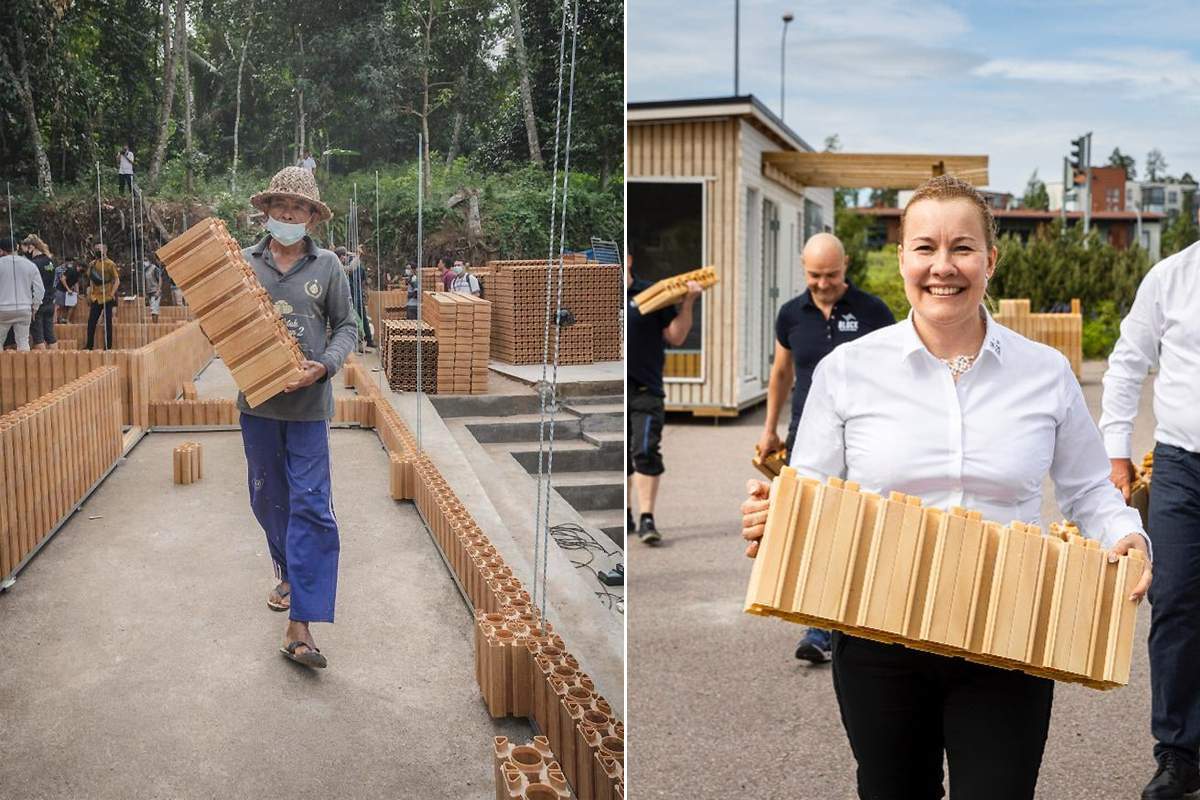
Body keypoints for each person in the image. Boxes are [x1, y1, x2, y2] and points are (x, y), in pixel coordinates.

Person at [739, 175, 1151, 800]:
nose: (943, 266)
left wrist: (1128, 535)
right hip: (875, 629)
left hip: (1010, 630)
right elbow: (812, 488)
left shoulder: (1045, 373)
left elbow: (1090, 490)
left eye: (962, 247)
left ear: (991, 259)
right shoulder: (849, 371)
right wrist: (776, 517)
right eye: (925, 247)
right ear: (902, 257)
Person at [757, 232, 896, 664]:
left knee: (861, 526)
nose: (822, 283)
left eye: (831, 275)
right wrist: (770, 429)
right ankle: (819, 629)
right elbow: (781, 374)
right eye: (815, 275)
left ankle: (863, 619)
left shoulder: (874, 312)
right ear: (803, 268)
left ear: (846, 266)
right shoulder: (790, 315)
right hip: (807, 434)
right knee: (813, 529)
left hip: (866, 437)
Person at [1099, 218, 1200, 800]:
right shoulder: (1171, 277)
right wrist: (1116, 449)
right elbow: (1128, 360)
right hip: (1183, 464)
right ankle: (1178, 753)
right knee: (1177, 600)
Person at [243, 166, 357, 669]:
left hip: (309, 409)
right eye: (281, 206)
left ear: (312, 216)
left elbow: (347, 325)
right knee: (268, 500)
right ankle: (287, 569)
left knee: (312, 507)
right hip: (259, 406)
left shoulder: (328, 265)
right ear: (267, 210)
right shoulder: (244, 265)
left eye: (300, 208)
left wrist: (324, 367)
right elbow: (220, 323)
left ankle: (302, 626)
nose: (289, 214)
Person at [626, 254, 701, 545]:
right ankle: (627, 513)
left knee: (644, 450)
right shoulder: (605, 293)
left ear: (630, 259)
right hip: (620, 391)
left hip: (646, 390)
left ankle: (647, 518)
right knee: (622, 457)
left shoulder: (652, 294)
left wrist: (688, 303)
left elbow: (676, 336)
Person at [0, 237, 44, 351]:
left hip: (3, 309)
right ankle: (25, 367)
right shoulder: (30, 264)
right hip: (24, 308)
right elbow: (40, 289)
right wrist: (35, 307)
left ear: (1, 250)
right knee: (23, 342)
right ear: (17, 247)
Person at [22, 235, 58, 350]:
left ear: (31, 247)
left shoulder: (34, 264)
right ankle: (56, 363)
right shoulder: (50, 261)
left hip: (38, 304)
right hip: (50, 302)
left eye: (25, 248)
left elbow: (32, 285)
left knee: (38, 338)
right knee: (50, 336)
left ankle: (43, 366)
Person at [85, 244, 120, 350]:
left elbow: (117, 280)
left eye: (100, 249)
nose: (97, 251)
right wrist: (90, 294)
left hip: (107, 297)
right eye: (96, 249)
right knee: (91, 322)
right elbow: (91, 280)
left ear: (105, 250)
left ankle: (108, 347)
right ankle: (89, 345)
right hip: (96, 297)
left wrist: (112, 293)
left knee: (107, 323)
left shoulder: (110, 264)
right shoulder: (92, 264)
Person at [144, 256, 163, 322]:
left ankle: (155, 325)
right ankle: (154, 324)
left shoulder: (155, 269)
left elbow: (160, 280)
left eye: (146, 260)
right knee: (152, 309)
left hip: (155, 292)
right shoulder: (145, 270)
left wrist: (158, 290)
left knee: (154, 309)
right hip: (149, 292)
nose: (145, 262)